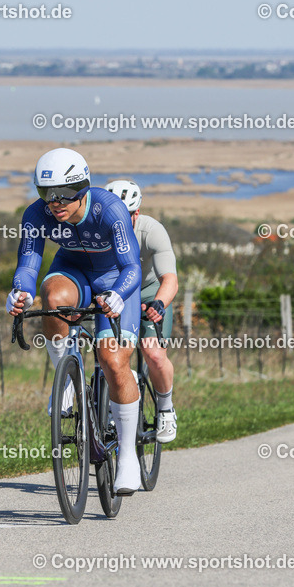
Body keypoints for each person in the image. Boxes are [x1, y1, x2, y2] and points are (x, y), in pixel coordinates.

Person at [6, 148, 143, 495]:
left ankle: (127, 457)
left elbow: (132, 267)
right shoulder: (36, 215)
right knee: (51, 297)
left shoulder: (109, 209)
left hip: (116, 279)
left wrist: (117, 295)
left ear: (83, 188)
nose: (55, 203)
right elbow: (28, 264)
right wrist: (19, 291)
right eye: (46, 194)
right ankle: (66, 376)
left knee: (113, 360)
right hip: (74, 273)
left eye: (64, 195)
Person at [105, 179, 178, 443]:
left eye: (126, 216)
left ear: (137, 213)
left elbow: (169, 278)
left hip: (148, 292)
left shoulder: (151, 231)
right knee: (109, 355)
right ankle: (111, 406)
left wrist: (159, 303)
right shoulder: (100, 230)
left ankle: (166, 407)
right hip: (114, 294)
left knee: (153, 353)